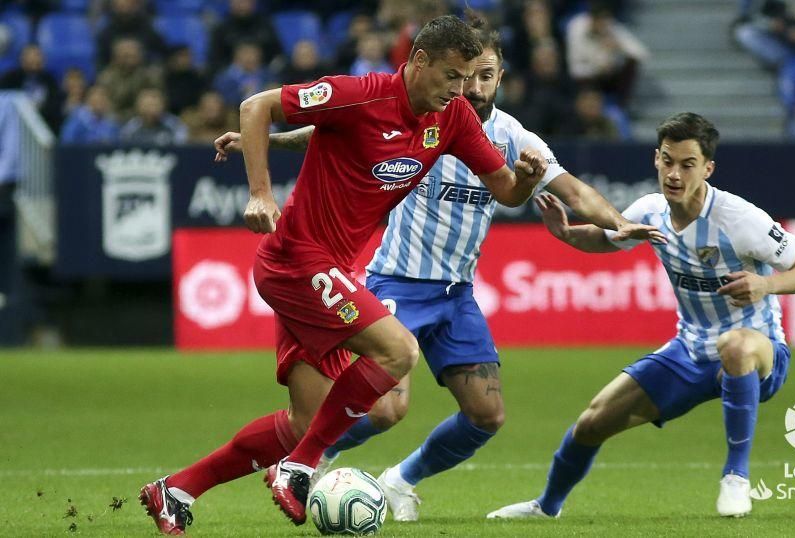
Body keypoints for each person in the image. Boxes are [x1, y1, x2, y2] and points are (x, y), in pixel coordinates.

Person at [211, 22, 662, 523]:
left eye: (483, 76)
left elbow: (571, 192)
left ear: (499, 76)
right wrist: (269, 142)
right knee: (385, 409)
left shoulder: (507, 134)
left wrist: (617, 221)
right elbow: (333, 130)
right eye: (463, 77)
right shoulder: (421, 109)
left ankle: (399, 480)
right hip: (397, 279)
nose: (471, 88)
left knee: (487, 415)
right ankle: (315, 457)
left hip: (457, 291)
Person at [139, 15, 550, 534]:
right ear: (418, 61)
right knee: (398, 351)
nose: (461, 90)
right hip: (295, 260)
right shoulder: (357, 96)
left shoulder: (454, 120)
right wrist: (261, 192)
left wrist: (528, 180)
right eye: (451, 76)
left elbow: (506, 191)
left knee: (306, 424)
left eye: (468, 79)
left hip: (331, 270)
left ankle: (175, 490)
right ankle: (302, 467)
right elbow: (256, 106)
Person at [486, 112, 795, 520]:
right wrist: (566, 234)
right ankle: (547, 507)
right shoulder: (650, 211)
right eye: (668, 161)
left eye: (687, 164)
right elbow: (607, 239)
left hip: (759, 350)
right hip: (690, 350)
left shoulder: (739, 219)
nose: (675, 173)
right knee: (592, 422)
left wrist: (766, 285)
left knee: (734, 345)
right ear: (655, 159)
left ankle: (736, 477)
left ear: (708, 168)